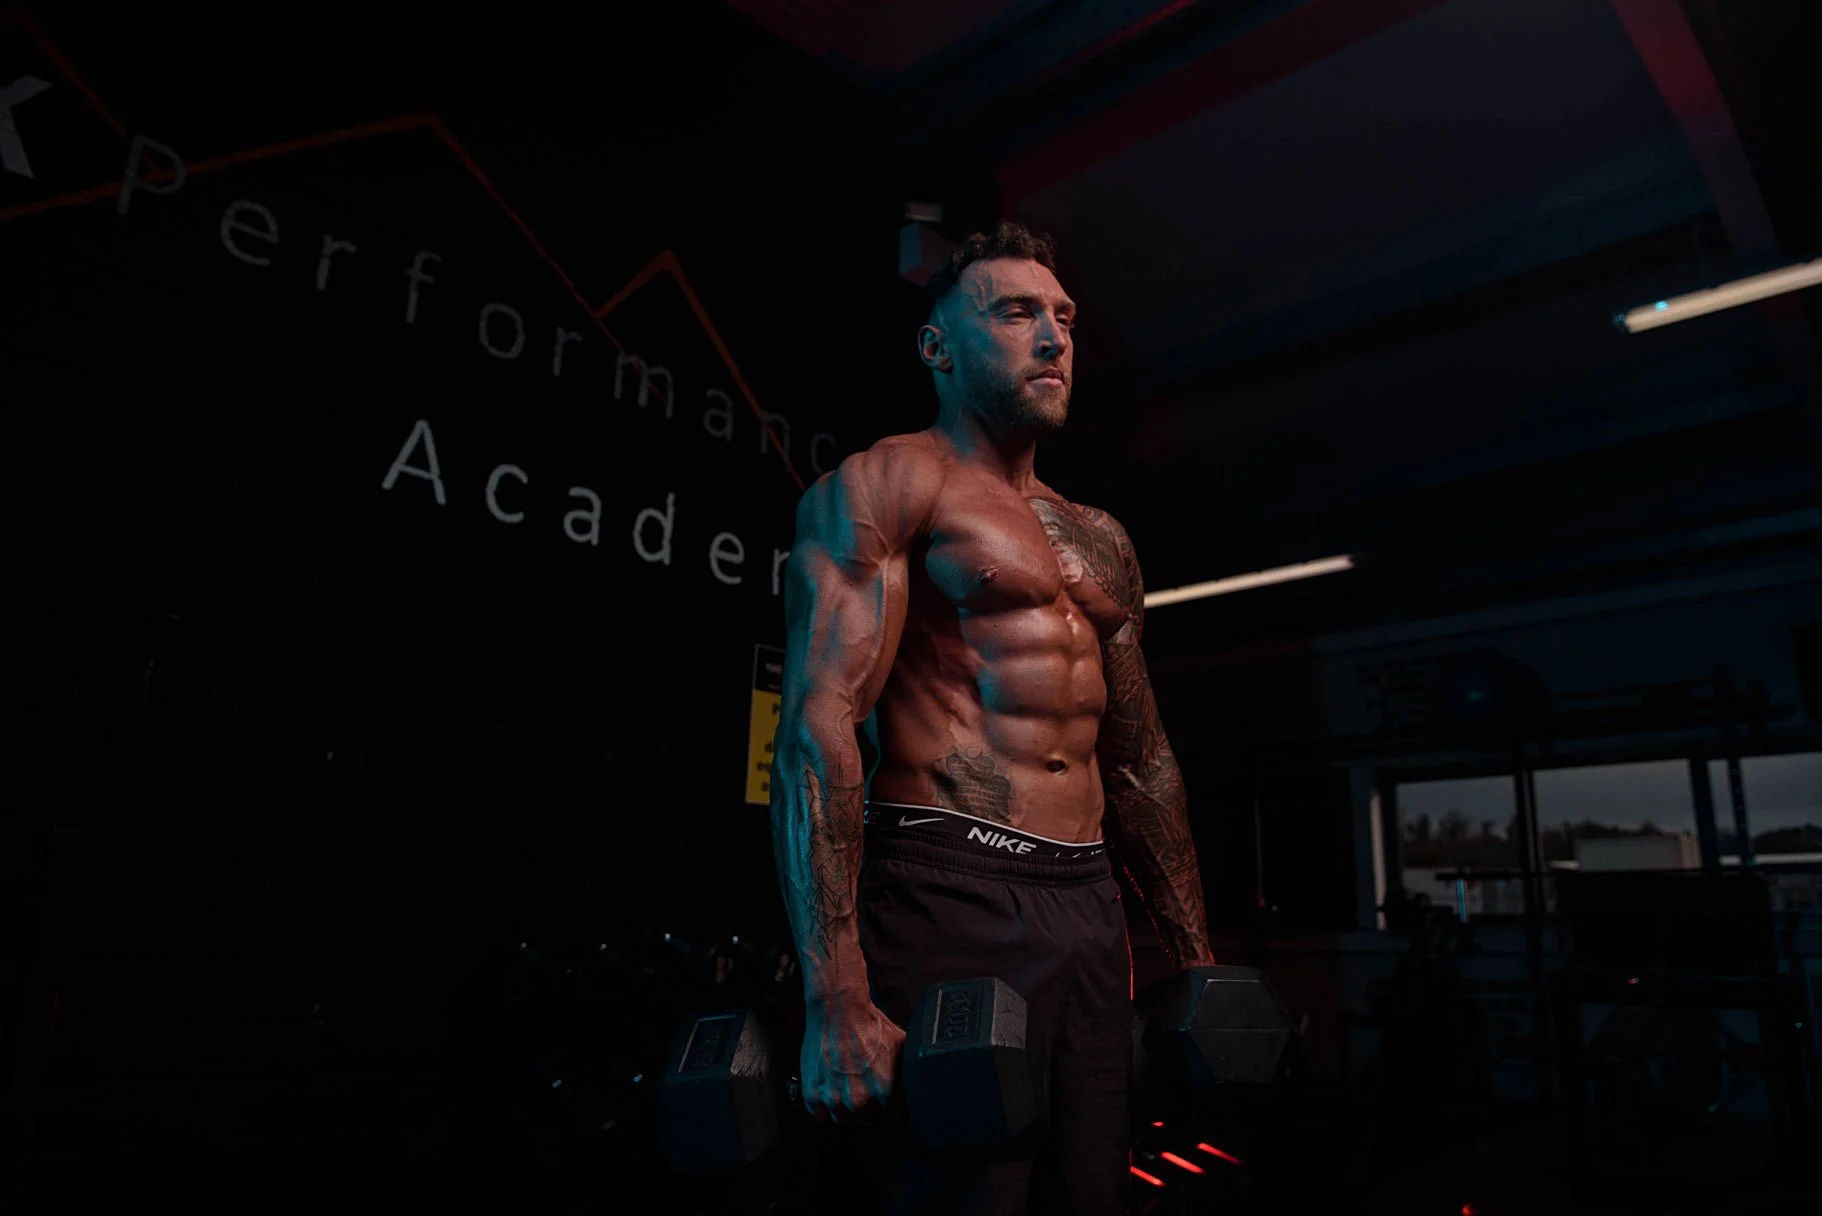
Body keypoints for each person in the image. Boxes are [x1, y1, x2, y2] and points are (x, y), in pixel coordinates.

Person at [770, 220, 1213, 1215]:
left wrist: (1196, 963)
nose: (1053, 337)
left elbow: (1142, 764)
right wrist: (833, 990)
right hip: (947, 887)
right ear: (937, 347)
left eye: (1061, 316)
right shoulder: (890, 485)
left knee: (1090, 1190)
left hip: (1090, 907)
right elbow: (817, 724)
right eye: (1016, 313)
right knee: (961, 1197)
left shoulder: (1100, 539)